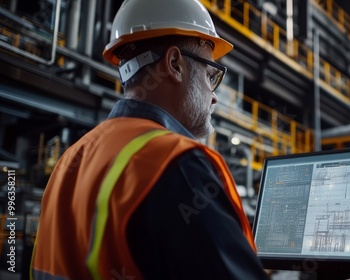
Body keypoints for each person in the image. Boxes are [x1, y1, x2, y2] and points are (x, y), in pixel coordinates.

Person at [30, 0, 268, 279]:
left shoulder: (69, 160)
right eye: (210, 74)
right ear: (174, 64)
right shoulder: (176, 163)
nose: (214, 94)